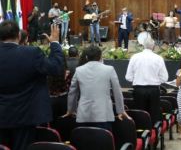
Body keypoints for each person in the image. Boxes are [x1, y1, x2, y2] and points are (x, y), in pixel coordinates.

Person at [0, 21, 64, 150]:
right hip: (25, 117)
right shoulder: (32, 53)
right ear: (19, 35)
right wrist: (55, 44)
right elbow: (56, 68)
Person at [66, 45, 129, 131]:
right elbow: (117, 91)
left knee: (84, 142)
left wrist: (70, 109)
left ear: (86, 57)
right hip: (104, 114)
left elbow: (72, 92)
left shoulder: (79, 70)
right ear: (100, 56)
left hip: (84, 114)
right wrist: (121, 110)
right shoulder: (109, 69)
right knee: (103, 141)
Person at [125, 36, 169, 124]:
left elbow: (128, 77)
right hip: (154, 90)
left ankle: (141, 134)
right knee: (154, 114)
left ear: (143, 46)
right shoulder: (158, 58)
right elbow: (165, 78)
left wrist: (138, 79)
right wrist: (155, 80)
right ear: (153, 47)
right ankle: (154, 134)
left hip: (138, 89)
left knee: (140, 114)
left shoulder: (134, 57)